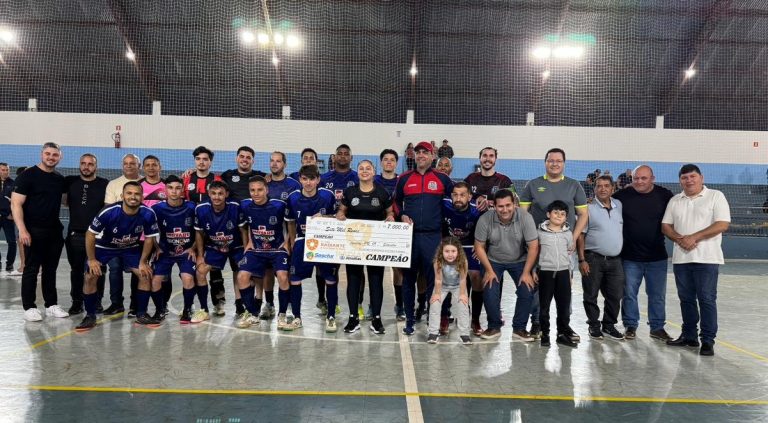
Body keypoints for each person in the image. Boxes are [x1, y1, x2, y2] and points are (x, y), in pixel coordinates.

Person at [662, 164, 730, 356]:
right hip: (681, 259)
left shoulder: (716, 196)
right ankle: (689, 336)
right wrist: (680, 239)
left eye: (692, 176)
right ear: (680, 181)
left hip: (707, 258)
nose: (689, 180)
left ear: (701, 177)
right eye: (684, 177)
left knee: (707, 299)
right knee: (686, 299)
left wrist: (694, 237)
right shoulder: (675, 200)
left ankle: (707, 340)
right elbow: (666, 226)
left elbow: (722, 224)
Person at [519, 148, 588, 339]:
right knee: (537, 285)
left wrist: (573, 238)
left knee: (564, 287)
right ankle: (537, 323)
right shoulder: (533, 185)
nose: (555, 163)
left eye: (558, 160)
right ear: (545, 162)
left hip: (565, 249)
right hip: (538, 247)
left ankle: (565, 326)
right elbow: (522, 214)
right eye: (551, 160)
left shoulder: (574, 185)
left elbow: (583, 214)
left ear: (564, 163)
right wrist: (530, 240)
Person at [75, 181, 159, 331]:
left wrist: (143, 261)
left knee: (144, 274)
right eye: (129, 193)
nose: (133, 197)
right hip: (104, 247)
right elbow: (90, 234)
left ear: (142, 196)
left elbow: (149, 238)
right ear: (122, 196)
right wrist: (92, 260)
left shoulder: (148, 213)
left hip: (130, 248)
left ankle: (141, 314)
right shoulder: (109, 212)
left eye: (137, 194)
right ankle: (90, 316)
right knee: (90, 276)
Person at [393, 141, 454, 335]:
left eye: (425, 152)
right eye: (418, 152)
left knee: (434, 281)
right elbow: (395, 202)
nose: (421, 155)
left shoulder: (443, 179)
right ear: (413, 155)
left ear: (432, 156)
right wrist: (401, 214)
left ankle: (433, 321)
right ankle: (409, 321)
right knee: (408, 279)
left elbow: (453, 203)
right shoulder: (404, 178)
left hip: (433, 237)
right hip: (409, 238)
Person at [612, 165, 674, 341]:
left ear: (652, 178)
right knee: (629, 294)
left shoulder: (665, 195)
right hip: (630, 257)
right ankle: (630, 325)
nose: (639, 182)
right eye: (636, 179)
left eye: (643, 178)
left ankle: (657, 327)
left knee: (657, 295)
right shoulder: (622, 196)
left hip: (657, 257)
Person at [11, 142, 69, 322]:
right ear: (41, 154)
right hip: (33, 231)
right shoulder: (27, 176)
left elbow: (66, 201)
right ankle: (29, 307)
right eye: (48, 154)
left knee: (50, 269)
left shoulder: (59, 179)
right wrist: (22, 230)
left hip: (54, 231)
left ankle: (51, 305)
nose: (51, 157)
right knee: (31, 269)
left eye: (55, 155)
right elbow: (16, 203)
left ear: (60, 157)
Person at [337, 160, 394, 335]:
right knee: (353, 280)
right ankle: (353, 318)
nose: (364, 171)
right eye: (361, 168)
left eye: (368, 168)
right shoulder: (350, 192)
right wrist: (340, 214)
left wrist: (391, 217)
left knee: (376, 281)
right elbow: (342, 211)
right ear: (358, 172)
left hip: (375, 245)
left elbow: (390, 211)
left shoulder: (382, 192)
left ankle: (376, 319)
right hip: (354, 245)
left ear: (374, 171)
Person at [473, 190, 539, 340]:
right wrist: (489, 270)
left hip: (519, 260)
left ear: (514, 204)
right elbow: (479, 247)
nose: (505, 210)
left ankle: (519, 328)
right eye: (500, 206)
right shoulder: (485, 219)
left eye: (508, 205)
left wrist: (527, 272)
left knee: (527, 289)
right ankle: (494, 326)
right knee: (490, 289)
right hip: (493, 260)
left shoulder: (525, 217)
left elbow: (534, 246)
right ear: (494, 206)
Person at [285, 165, 339, 332]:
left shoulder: (327, 196)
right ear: (300, 179)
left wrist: (325, 217)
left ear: (318, 180)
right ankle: (297, 317)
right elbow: (291, 222)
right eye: (304, 179)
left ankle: (330, 316)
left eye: (312, 179)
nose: (308, 183)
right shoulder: (293, 198)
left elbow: (339, 217)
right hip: (302, 241)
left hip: (324, 241)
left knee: (330, 278)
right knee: (294, 279)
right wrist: (292, 241)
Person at [235, 176, 291, 329]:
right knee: (242, 276)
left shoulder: (279, 206)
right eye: (252, 190)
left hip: (277, 249)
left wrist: (287, 243)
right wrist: (248, 243)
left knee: (283, 276)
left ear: (267, 190)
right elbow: (245, 225)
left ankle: (282, 315)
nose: (256, 193)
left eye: (260, 190)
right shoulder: (245, 205)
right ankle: (253, 314)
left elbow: (291, 223)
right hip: (257, 249)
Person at [576, 175, 625, 340]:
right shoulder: (588, 209)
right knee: (590, 294)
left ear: (613, 188)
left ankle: (609, 325)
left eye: (606, 186)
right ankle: (594, 325)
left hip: (615, 260)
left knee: (615, 295)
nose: (602, 189)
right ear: (594, 189)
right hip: (593, 259)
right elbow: (580, 236)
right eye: (599, 186)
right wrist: (581, 259)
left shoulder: (619, 206)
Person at [184, 146, 231, 315]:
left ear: (210, 162)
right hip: (193, 230)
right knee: (194, 267)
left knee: (214, 269)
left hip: (214, 231)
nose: (201, 162)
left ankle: (219, 302)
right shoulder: (187, 179)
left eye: (205, 159)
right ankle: (195, 304)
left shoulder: (218, 179)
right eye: (198, 159)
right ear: (194, 161)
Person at [149, 175, 198, 324]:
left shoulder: (192, 207)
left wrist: (193, 248)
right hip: (165, 251)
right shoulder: (156, 209)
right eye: (170, 188)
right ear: (165, 190)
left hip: (186, 251)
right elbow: (149, 232)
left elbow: (200, 231)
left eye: (178, 188)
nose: (174, 191)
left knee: (187, 278)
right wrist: (156, 248)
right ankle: (160, 310)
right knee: (156, 280)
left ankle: (187, 309)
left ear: (182, 190)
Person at [63, 153, 108, 315]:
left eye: (90, 164)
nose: (86, 166)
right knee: (76, 270)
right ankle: (77, 302)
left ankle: (96, 301)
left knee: (98, 270)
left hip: (98, 236)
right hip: (75, 234)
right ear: (79, 165)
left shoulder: (105, 184)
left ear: (96, 166)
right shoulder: (70, 182)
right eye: (83, 163)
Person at [194, 181, 244, 321]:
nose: (217, 197)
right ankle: (204, 309)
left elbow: (243, 229)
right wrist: (199, 256)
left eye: (220, 194)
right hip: (215, 246)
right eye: (213, 193)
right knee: (201, 271)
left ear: (226, 194)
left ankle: (240, 305)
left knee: (241, 272)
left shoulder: (235, 207)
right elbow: (199, 233)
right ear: (209, 194)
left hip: (236, 246)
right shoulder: (201, 209)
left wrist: (247, 250)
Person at [260, 151, 301, 319]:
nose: (275, 164)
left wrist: (291, 239)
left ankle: (289, 304)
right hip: (267, 236)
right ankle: (268, 303)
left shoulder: (293, 184)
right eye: (272, 161)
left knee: (287, 272)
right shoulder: (264, 183)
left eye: (278, 161)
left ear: (284, 164)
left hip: (287, 235)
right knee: (268, 271)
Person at [320, 144, 359, 317]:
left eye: (346, 154)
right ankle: (326, 302)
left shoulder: (358, 177)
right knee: (326, 268)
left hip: (352, 229)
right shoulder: (323, 178)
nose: (342, 157)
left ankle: (357, 305)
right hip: (330, 229)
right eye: (339, 154)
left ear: (351, 158)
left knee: (356, 270)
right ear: (334, 157)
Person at [535, 200, 578, 348]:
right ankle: (545, 334)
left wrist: (570, 274)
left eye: (562, 214)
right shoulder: (539, 233)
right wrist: (535, 270)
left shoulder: (568, 233)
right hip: (546, 273)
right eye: (555, 212)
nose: (559, 216)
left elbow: (570, 255)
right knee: (544, 306)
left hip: (563, 274)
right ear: (548, 214)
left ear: (566, 217)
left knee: (564, 307)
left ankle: (562, 334)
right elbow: (535, 253)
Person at [103, 153, 141, 317]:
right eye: (126, 163)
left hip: (137, 237)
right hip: (115, 237)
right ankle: (116, 303)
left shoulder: (143, 183)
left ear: (138, 166)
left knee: (136, 270)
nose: (129, 166)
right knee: (115, 269)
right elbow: (109, 209)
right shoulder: (113, 184)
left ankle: (135, 305)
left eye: (132, 163)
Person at [441, 182, 482, 335]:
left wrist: (480, 247)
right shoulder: (445, 205)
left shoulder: (476, 212)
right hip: (450, 247)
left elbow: (484, 232)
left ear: (469, 196)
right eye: (455, 195)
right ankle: (444, 316)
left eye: (462, 195)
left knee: (476, 276)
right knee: (444, 276)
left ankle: (475, 319)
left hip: (470, 246)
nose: (458, 198)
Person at [374, 149, 404, 320]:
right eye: (385, 159)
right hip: (376, 229)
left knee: (398, 268)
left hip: (396, 229)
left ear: (396, 163)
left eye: (392, 160)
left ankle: (399, 305)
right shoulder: (373, 180)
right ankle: (373, 306)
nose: (389, 162)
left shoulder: (401, 181)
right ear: (381, 162)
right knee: (375, 270)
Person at [427, 237, 471, 345]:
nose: (450, 254)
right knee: (435, 304)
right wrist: (437, 294)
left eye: (453, 251)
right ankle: (433, 333)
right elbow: (438, 279)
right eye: (447, 251)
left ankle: (464, 334)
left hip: (457, 286)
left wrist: (462, 295)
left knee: (463, 305)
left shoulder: (463, 261)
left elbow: (462, 279)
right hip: (442, 285)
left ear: (458, 251)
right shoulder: (438, 261)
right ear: (442, 251)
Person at [464, 147, 514, 212]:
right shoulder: (470, 178)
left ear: (495, 159)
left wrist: (491, 203)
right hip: (473, 220)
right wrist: (475, 200)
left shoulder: (505, 181)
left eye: (491, 156)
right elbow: (461, 198)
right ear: (480, 158)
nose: (487, 159)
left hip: (496, 220)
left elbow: (514, 203)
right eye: (484, 155)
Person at [0, 162, 19, 276]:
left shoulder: (13, 183)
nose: (5, 172)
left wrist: (12, 213)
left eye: (7, 170)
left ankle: (9, 264)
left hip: (8, 217)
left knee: (12, 242)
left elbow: (16, 201)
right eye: (3, 170)